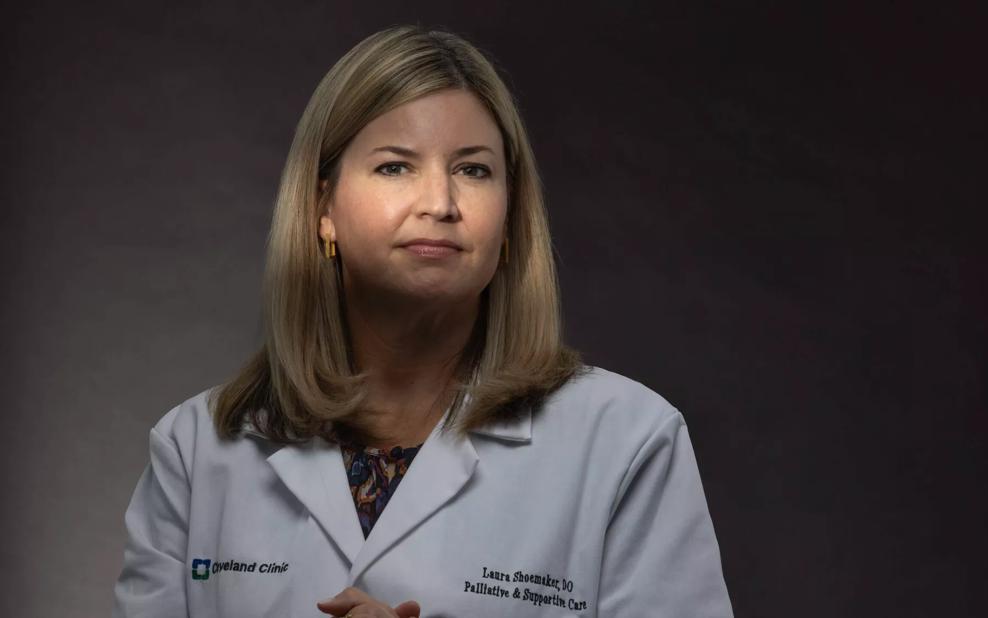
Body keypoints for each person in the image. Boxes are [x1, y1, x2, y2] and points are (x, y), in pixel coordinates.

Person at [111, 24, 734, 618]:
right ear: (323, 207)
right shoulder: (196, 451)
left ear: (509, 219)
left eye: (473, 170)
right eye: (395, 166)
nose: (440, 203)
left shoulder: (627, 441)